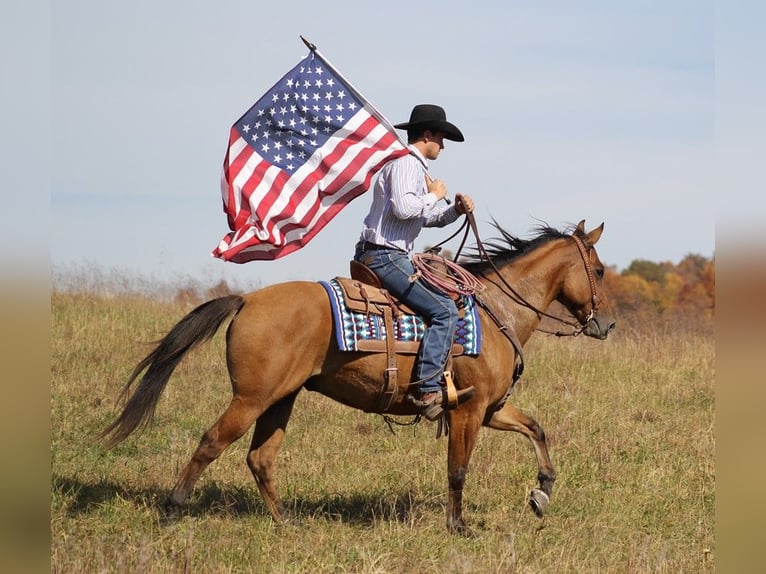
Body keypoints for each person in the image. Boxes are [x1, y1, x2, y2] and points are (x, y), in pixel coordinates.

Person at [354, 104, 476, 421]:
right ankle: (426, 390)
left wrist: (455, 211)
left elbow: (427, 218)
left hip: (387, 254)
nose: (443, 145)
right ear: (427, 135)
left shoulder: (414, 167)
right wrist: (435, 194)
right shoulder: (406, 164)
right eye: (441, 137)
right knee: (445, 310)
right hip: (384, 255)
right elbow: (405, 209)